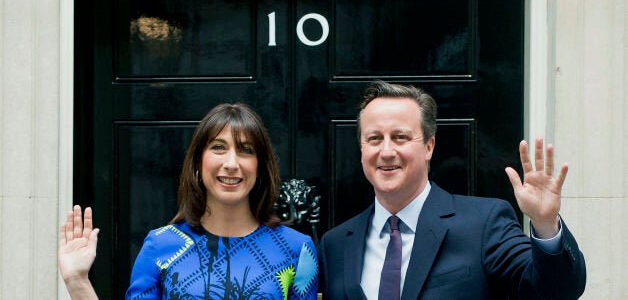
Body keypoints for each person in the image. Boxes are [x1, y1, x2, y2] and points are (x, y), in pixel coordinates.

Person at [318, 81, 586, 299]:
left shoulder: (484, 223)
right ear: (362, 149)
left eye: (400, 137)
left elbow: (556, 292)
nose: (387, 152)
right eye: (374, 138)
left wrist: (545, 224)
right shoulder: (336, 244)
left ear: (429, 146)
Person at [58, 103, 319, 299]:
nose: (231, 163)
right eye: (218, 147)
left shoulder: (297, 250)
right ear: (197, 163)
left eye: (246, 150)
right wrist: (77, 281)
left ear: (260, 167)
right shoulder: (160, 245)